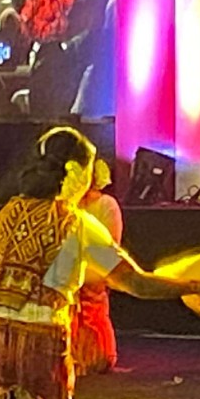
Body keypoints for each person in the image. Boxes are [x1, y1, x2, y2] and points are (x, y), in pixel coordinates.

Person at [0, 127, 200, 399]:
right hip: (33, 344)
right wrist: (192, 286)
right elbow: (135, 283)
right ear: (77, 172)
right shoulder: (78, 225)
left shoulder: (7, 211)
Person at [71, 159, 121, 375]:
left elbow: (110, 246)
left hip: (95, 268)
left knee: (92, 309)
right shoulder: (69, 206)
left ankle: (96, 356)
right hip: (70, 268)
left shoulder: (107, 204)